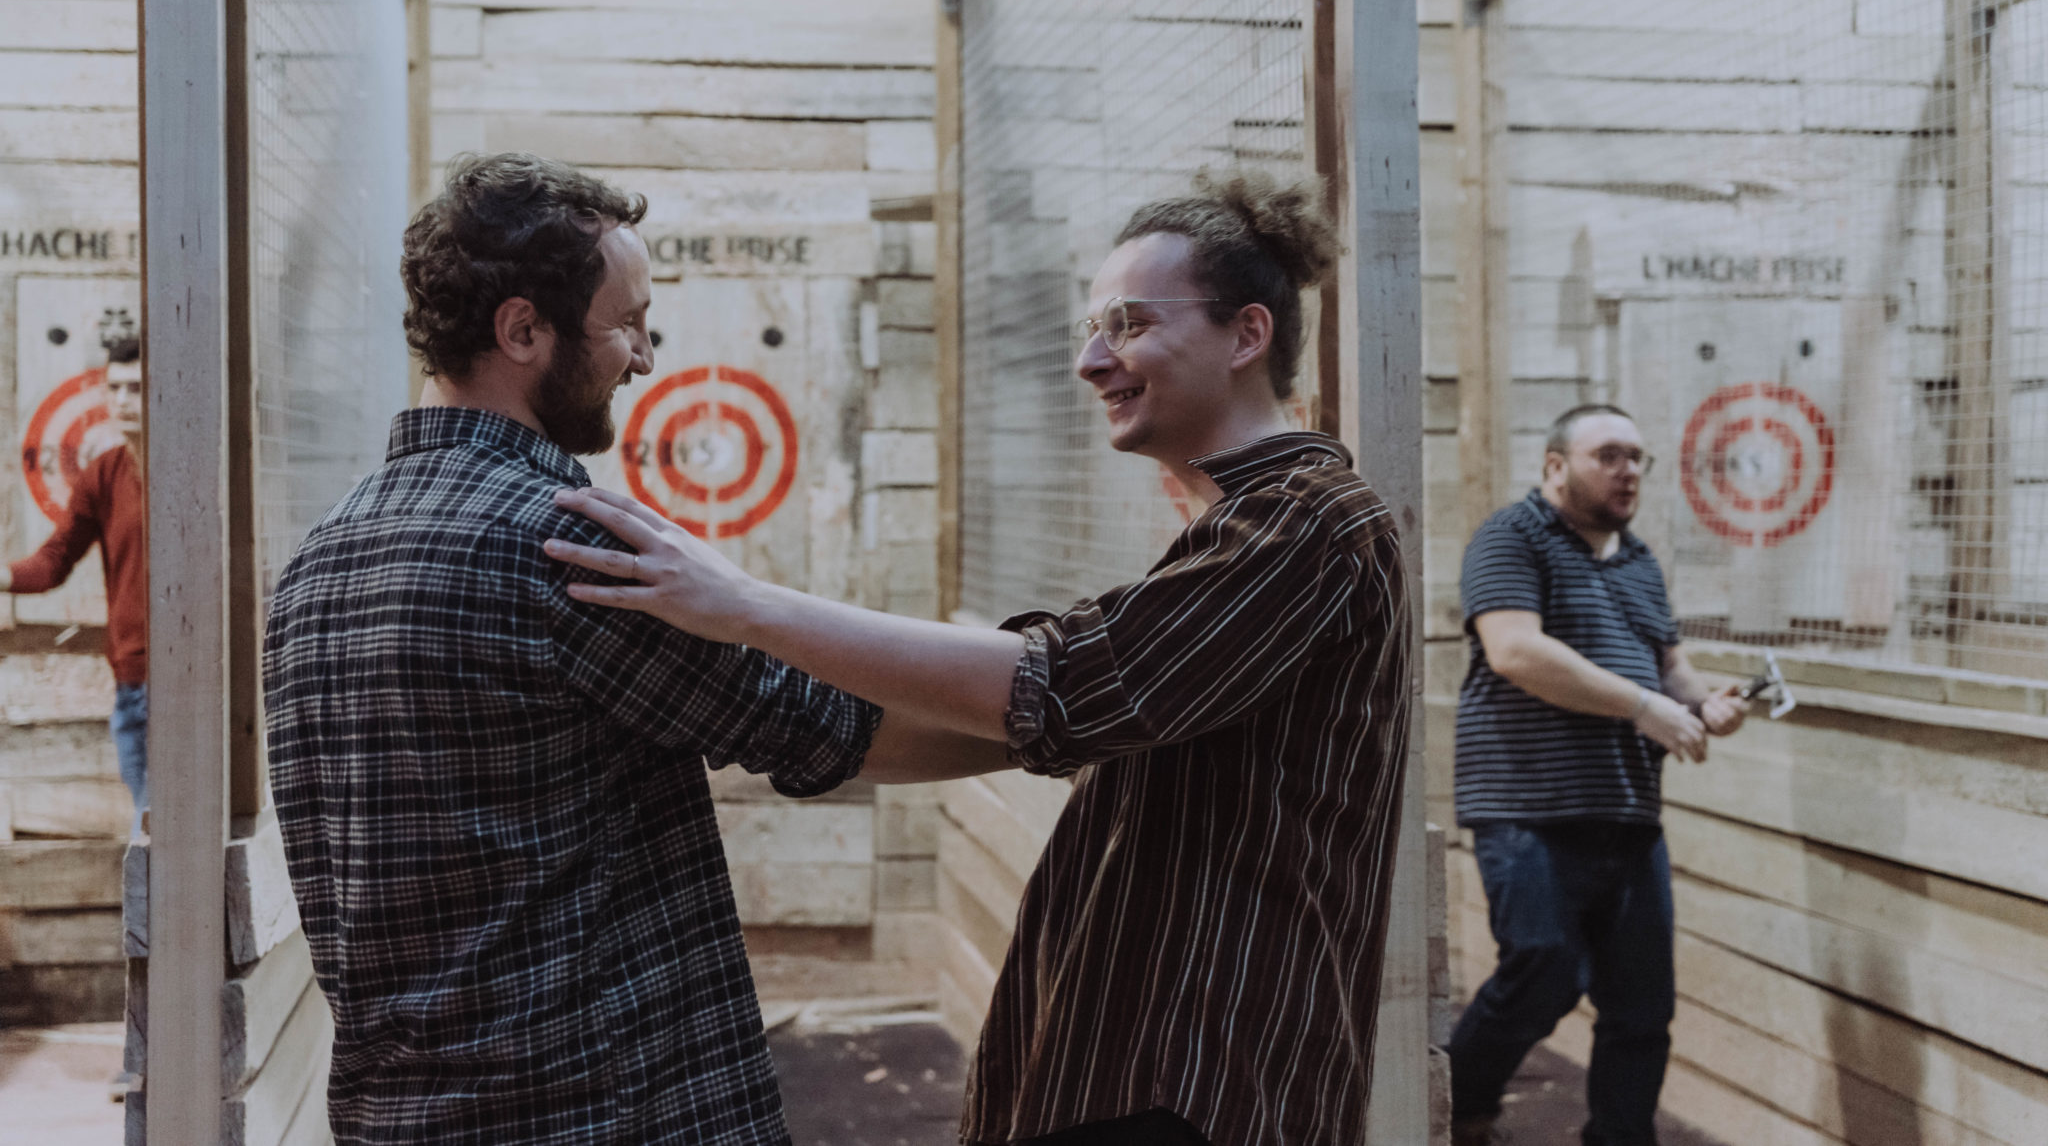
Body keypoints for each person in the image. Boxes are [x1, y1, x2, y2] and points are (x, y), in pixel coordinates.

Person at [548, 171, 1415, 1146]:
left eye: (1128, 324)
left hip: (1206, 1078)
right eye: (1091, 328)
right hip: (1156, 1065)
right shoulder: (1248, 522)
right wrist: (767, 700)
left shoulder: (1309, 521)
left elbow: (1062, 688)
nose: (1091, 360)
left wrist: (746, 606)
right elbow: (1044, 705)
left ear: (1246, 334)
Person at [264, 153, 950, 1144]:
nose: (645, 359)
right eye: (627, 322)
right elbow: (828, 726)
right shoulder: (565, 546)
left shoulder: (316, 561)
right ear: (522, 330)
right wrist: (1054, 708)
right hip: (590, 1114)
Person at [1446, 403, 1746, 1146]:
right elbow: (1515, 650)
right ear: (1555, 466)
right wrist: (1644, 707)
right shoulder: (1510, 537)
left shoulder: (1638, 560)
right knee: (1543, 969)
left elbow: (1669, 666)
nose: (1628, 470)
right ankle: (1457, 1104)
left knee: (1642, 1008)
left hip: (1628, 810)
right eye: (1608, 455)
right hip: (1528, 804)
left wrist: (1705, 704)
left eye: (1637, 457)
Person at [3, 335, 147, 835]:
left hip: (191, 679)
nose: (123, 401)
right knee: (149, 831)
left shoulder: (196, 470)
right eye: (115, 387)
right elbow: (54, 562)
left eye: (137, 388)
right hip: (132, 682)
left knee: (160, 834)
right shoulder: (102, 476)